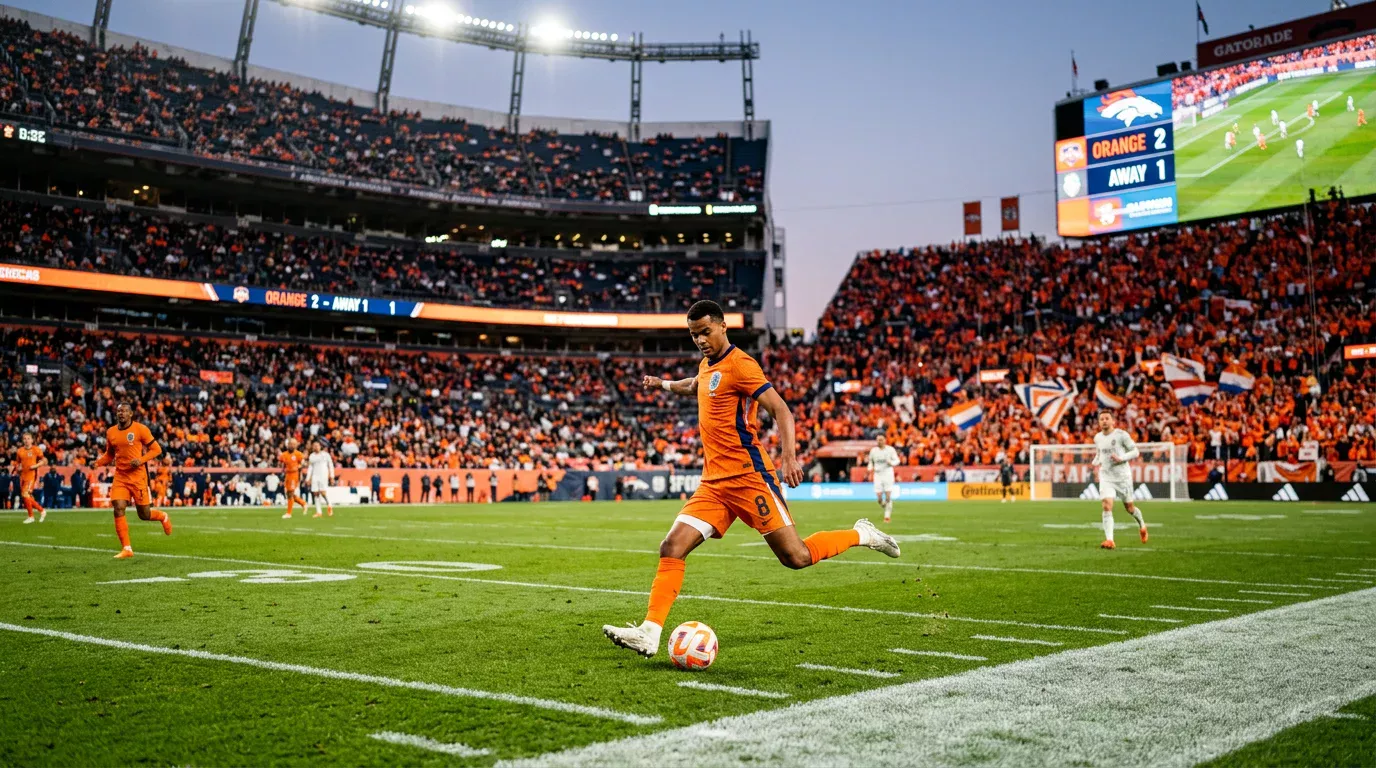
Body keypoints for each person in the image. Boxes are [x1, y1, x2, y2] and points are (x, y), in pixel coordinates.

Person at [603, 300, 900, 658]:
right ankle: (649, 633)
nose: (700, 340)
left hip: (750, 478)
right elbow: (694, 386)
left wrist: (788, 458)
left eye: (705, 332)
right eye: (694, 335)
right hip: (714, 484)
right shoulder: (707, 364)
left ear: (723, 326)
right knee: (672, 547)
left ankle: (863, 534)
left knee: (796, 556)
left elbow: (781, 410)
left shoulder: (741, 365)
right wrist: (662, 384)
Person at [94, 402, 172, 558]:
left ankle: (163, 516)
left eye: (124, 411)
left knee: (144, 514)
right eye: (119, 411)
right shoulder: (111, 432)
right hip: (121, 476)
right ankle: (127, 548)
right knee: (118, 507)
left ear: (130, 414)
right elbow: (110, 455)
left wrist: (141, 460)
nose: (121, 413)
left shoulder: (140, 429)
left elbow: (157, 449)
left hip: (138, 477)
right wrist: (97, 463)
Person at [1092, 411, 1147, 550]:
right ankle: (1110, 540)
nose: (1104, 421)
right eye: (1101, 419)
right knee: (1106, 505)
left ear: (1113, 421)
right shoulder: (1097, 438)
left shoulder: (1121, 435)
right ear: (1099, 422)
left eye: (1107, 418)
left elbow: (1135, 452)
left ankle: (1142, 525)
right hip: (1106, 476)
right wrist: (1095, 461)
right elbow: (1099, 453)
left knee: (1130, 508)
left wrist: (1121, 458)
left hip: (1123, 477)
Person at [14, 432, 48, 523]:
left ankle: (32, 516)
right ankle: (40, 511)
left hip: (31, 475)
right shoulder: (20, 451)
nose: (26, 440)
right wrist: (18, 468)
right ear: (22, 440)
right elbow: (17, 463)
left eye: (28, 438)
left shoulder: (36, 449)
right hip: (23, 476)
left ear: (32, 440)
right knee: (26, 497)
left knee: (25, 494)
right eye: (25, 439)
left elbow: (45, 460)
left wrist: (36, 466)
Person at [866, 434, 900, 523]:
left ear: (885, 440)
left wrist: (891, 463)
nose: (879, 441)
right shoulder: (873, 451)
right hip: (877, 475)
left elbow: (897, 460)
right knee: (879, 499)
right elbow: (871, 462)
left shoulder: (890, 450)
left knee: (888, 496)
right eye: (878, 440)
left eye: (881, 440)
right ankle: (886, 505)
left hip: (888, 474)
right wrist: (870, 468)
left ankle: (887, 516)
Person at [305, 439, 334, 518]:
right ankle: (319, 512)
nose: (316, 447)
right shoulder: (312, 456)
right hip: (315, 476)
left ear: (320, 446)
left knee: (323, 493)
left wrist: (332, 476)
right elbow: (310, 467)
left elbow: (330, 465)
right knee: (315, 493)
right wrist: (308, 478)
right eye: (314, 446)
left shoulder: (325, 455)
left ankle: (329, 505)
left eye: (317, 446)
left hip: (323, 476)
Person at [279, 438, 308, 519]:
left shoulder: (298, 454)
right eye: (291, 444)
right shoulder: (283, 455)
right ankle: (303, 503)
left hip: (294, 475)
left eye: (294, 444)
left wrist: (299, 467)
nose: (292, 445)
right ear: (288, 444)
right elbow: (282, 465)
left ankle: (289, 513)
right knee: (288, 494)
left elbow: (304, 464)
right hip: (287, 475)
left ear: (296, 445)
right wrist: (282, 474)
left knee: (290, 493)